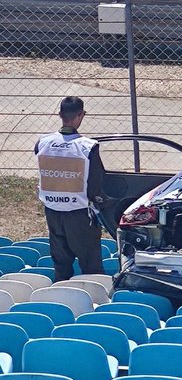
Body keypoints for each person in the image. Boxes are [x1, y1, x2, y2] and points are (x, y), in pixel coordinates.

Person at [35, 96, 106, 282]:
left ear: (60, 115)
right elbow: (96, 183)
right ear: (80, 115)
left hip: (52, 212)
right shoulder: (87, 147)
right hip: (79, 214)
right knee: (91, 266)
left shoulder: (43, 143)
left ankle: (62, 292)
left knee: (61, 266)